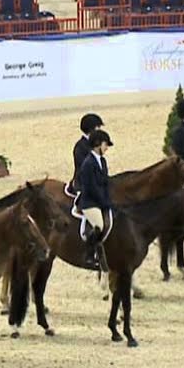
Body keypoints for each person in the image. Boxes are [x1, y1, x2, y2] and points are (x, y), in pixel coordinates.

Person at [76, 129, 114, 269]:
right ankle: (89, 255)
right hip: (89, 202)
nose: (107, 148)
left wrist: (109, 200)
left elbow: (105, 183)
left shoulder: (102, 161)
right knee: (99, 225)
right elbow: (91, 187)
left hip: (100, 200)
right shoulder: (88, 164)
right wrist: (104, 203)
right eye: (105, 144)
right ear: (98, 144)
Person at [71, 113, 104, 191]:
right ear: (92, 128)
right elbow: (84, 168)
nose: (100, 130)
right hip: (83, 184)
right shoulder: (80, 146)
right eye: (98, 127)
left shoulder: (95, 144)